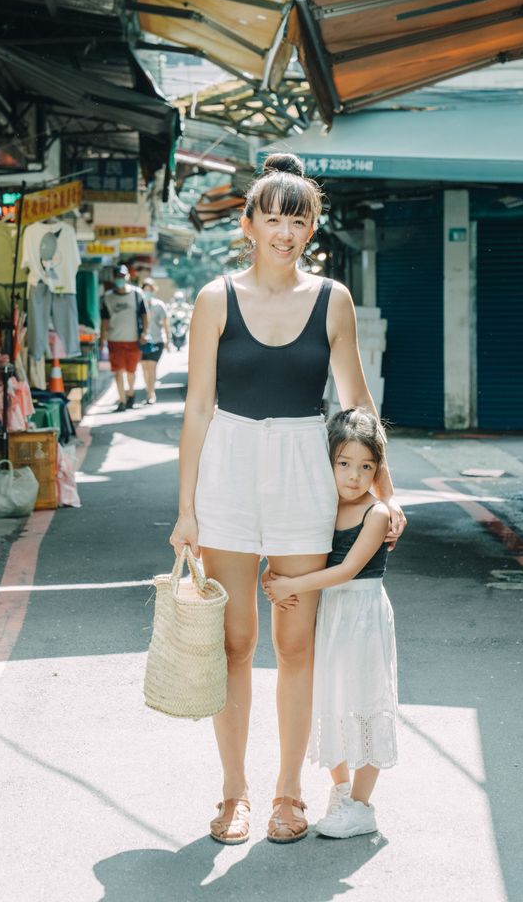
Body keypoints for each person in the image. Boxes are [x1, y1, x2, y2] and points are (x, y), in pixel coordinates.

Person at [168, 152, 406, 846]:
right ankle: (233, 793)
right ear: (248, 224)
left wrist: (386, 496)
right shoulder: (215, 298)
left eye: (297, 221)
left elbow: (357, 403)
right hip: (229, 471)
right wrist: (186, 510)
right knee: (234, 643)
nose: (284, 232)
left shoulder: (332, 299)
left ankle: (289, 793)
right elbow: (198, 408)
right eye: (272, 219)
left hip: (304, 470)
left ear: (312, 228)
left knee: (297, 643)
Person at [263, 407, 398, 839]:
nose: (354, 476)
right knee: (332, 700)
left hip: (362, 617)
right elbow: (303, 552)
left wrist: (292, 585)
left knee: (367, 702)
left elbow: (346, 570)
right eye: (344, 464)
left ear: (377, 469)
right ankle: (341, 790)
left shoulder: (376, 515)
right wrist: (273, 572)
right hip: (331, 615)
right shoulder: (325, 506)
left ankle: (362, 805)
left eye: (366, 467)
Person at [100, 265, 148, 412]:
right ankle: (122, 400)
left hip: (133, 339)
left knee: (131, 370)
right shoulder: (108, 297)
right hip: (114, 339)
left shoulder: (137, 294)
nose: (120, 279)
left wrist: (145, 333)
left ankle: (130, 393)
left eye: (123, 276)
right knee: (118, 370)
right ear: (114, 278)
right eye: (118, 276)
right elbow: (104, 319)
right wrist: (102, 338)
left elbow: (145, 315)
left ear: (128, 277)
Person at [140, 279, 170, 405]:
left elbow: (166, 323)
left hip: (157, 340)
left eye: (149, 290)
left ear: (153, 291)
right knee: (144, 367)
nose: (147, 292)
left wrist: (168, 340)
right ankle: (148, 389)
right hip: (142, 341)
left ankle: (151, 393)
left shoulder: (159, 305)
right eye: (145, 290)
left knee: (151, 366)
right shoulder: (139, 305)